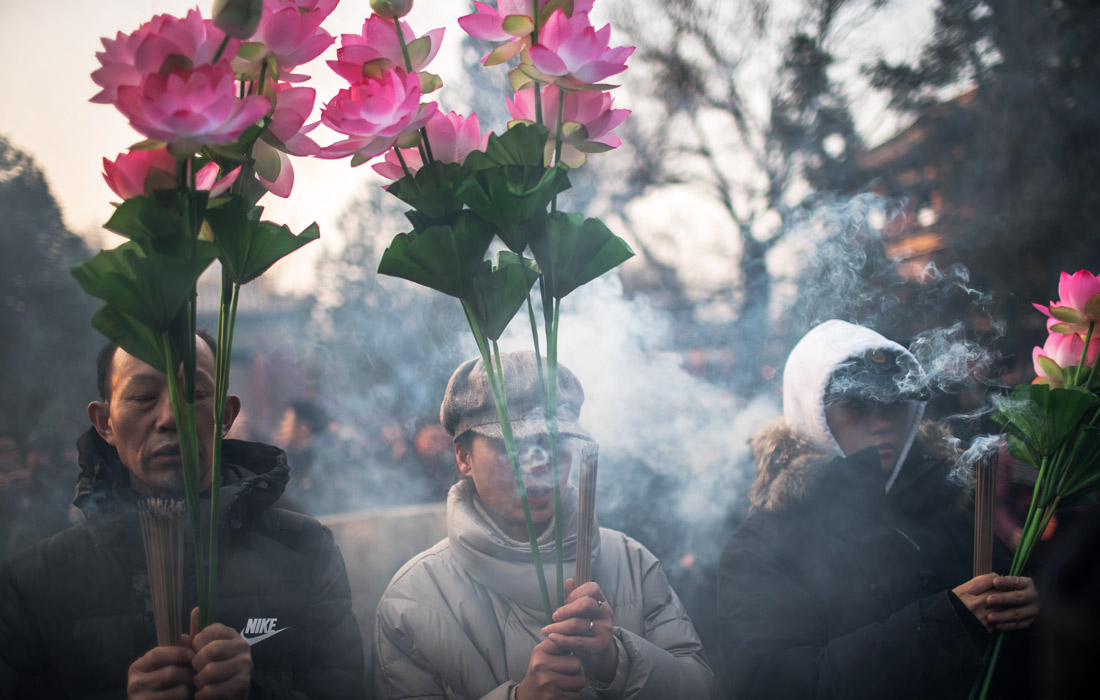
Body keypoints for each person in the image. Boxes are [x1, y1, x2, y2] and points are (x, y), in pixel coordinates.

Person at [0, 333, 367, 700]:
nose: (171, 417)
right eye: (144, 398)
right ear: (104, 422)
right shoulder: (31, 584)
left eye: (194, 395)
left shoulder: (305, 552)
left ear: (225, 416)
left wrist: (254, 692)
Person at [717, 319, 1040, 699]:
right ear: (812, 414)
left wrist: (1030, 601)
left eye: (893, 403)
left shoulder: (945, 503)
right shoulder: (760, 546)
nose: (881, 423)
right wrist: (942, 625)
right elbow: (776, 684)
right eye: (855, 405)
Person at [373, 351, 715, 700]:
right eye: (510, 445)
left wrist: (617, 661)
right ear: (463, 457)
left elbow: (701, 687)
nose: (536, 464)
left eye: (552, 443)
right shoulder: (411, 601)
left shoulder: (632, 563)